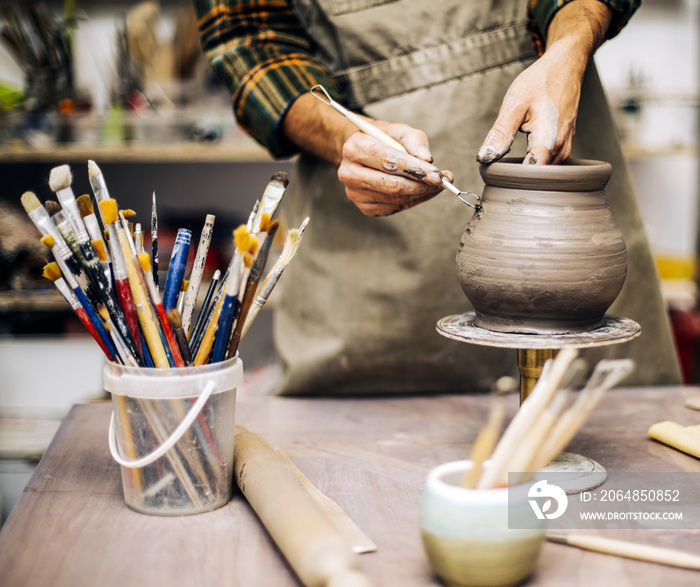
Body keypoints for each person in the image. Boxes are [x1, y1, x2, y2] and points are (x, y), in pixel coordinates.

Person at [195, 0, 682, 394]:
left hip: (581, 237)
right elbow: (250, 47)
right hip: (373, 293)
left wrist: (569, 48)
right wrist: (343, 135)